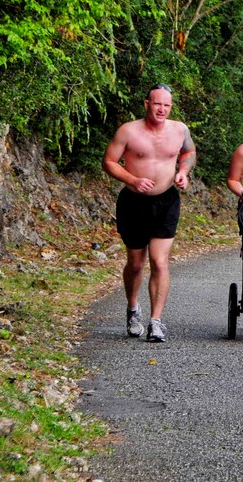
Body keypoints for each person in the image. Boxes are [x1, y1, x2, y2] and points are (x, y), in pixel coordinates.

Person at [102, 84, 196, 343]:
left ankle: (156, 321)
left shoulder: (179, 130)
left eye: (166, 105)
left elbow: (189, 152)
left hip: (166, 201)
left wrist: (183, 173)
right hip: (134, 202)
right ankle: (133, 309)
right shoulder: (129, 131)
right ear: (147, 104)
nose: (162, 109)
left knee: (160, 261)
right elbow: (109, 161)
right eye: (157, 104)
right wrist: (132, 179)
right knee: (135, 262)